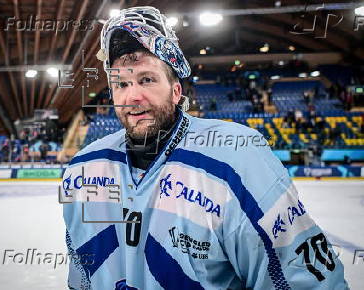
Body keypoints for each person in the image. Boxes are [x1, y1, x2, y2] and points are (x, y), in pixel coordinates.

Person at [62, 6, 348, 290]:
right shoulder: (83, 168)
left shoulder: (236, 158)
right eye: (121, 83)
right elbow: (81, 277)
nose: (132, 96)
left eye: (146, 79)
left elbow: (303, 281)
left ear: (176, 91)